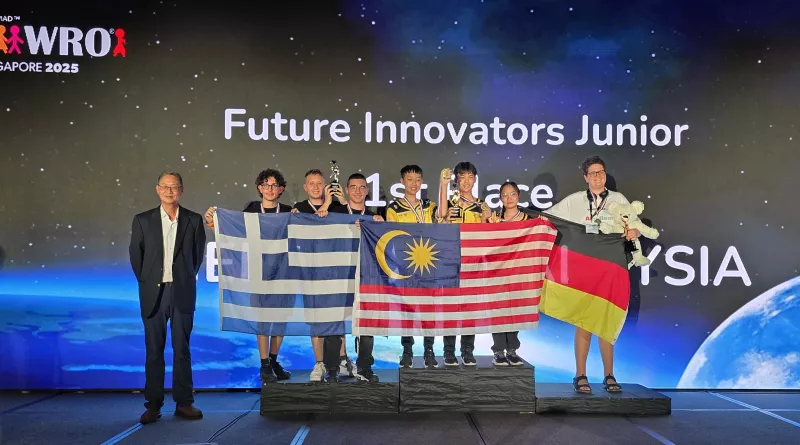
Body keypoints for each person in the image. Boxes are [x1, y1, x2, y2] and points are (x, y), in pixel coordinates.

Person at [543, 155, 640, 394]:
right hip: (585, 271)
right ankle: (580, 375)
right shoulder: (575, 200)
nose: (598, 176)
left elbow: (635, 227)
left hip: (610, 270)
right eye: (593, 173)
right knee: (584, 321)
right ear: (586, 177)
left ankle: (609, 375)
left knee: (606, 321)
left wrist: (633, 233)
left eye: (601, 172)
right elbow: (547, 218)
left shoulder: (618, 200)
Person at [129, 170, 206, 424]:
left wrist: (183, 278)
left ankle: (184, 402)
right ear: (157, 189)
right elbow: (137, 257)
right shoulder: (143, 220)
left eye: (174, 187)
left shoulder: (193, 220)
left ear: (181, 190)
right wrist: (149, 281)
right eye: (165, 186)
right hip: (154, 293)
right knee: (154, 351)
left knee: (182, 349)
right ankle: (153, 405)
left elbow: (197, 257)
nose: (169, 191)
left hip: (182, 291)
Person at [203, 169, 293, 383]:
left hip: (283, 272)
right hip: (257, 271)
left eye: (274, 185)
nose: (270, 189)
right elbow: (233, 232)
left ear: (281, 189)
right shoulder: (251, 210)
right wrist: (214, 222)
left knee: (280, 319)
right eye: (265, 185)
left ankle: (273, 360)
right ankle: (264, 364)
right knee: (262, 319)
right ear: (259, 188)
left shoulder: (289, 211)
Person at [327, 173, 384, 382]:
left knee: (367, 323)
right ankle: (332, 368)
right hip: (339, 276)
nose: (358, 191)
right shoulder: (335, 214)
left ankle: (364, 367)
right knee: (334, 322)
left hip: (365, 276)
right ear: (347, 190)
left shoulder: (374, 218)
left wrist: (379, 226)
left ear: (367, 191)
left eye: (362, 187)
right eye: (353, 187)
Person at [437, 162, 492, 367]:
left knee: (471, 308)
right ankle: (448, 351)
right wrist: (443, 186)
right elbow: (440, 220)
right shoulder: (450, 203)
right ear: (456, 180)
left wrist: (486, 220)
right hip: (451, 261)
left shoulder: (482, 205)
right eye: (462, 177)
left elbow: (488, 235)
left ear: (475, 179)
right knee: (451, 307)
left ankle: (467, 350)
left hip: (474, 263)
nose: (466, 181)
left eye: (470, 177)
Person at [291, 169, 342, 382]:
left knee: (337, 318)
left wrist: (333, 202)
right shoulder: (299, 209)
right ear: (305, 187)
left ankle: (340, 361)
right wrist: (325, 204)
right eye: (311, 183)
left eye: (319, 183)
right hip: (310, 271)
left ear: (325, 185)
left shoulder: (337, 207)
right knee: (315, 319)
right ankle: (319, 362)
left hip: (335, 270)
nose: (315, 187)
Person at [386, 165, 439, 369]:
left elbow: (442, 221)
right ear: (402, 182)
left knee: (428, 309)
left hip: (428, 264)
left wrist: (444, 185)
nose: (414, 184)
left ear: (422, 181)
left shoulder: (429, 206)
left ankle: (429, 350)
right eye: (409, 179)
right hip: (405, 266)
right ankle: (407, 350)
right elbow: (390, 236)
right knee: (407, 310)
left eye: (417, 180)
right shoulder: (394, 208)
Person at [487, 181, 529, 366]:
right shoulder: (495, 219)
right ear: (500, 198)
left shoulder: (529, 220)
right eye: (504, 195)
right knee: (498, 311)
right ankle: (498, 351)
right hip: (497, 272)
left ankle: (512, 350)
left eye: (512, 194)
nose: (509, 198)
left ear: (518, 196)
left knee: (514, 311)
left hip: (518, 272)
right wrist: (490, 227)